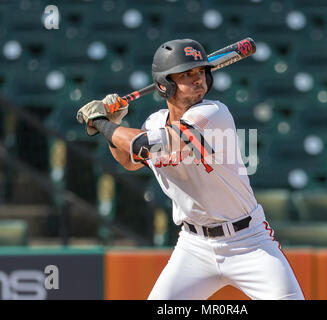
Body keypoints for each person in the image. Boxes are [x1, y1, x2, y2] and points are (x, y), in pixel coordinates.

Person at [77, 39, 304, 300]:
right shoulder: (154, 122)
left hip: (248, 242)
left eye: (201, 72)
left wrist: (103, 123)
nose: (198, 79)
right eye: (186, 74)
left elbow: (142, 144)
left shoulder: (214, 113)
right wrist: (114, 126)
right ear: (165, 84)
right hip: (194, 246)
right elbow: (128, 160)